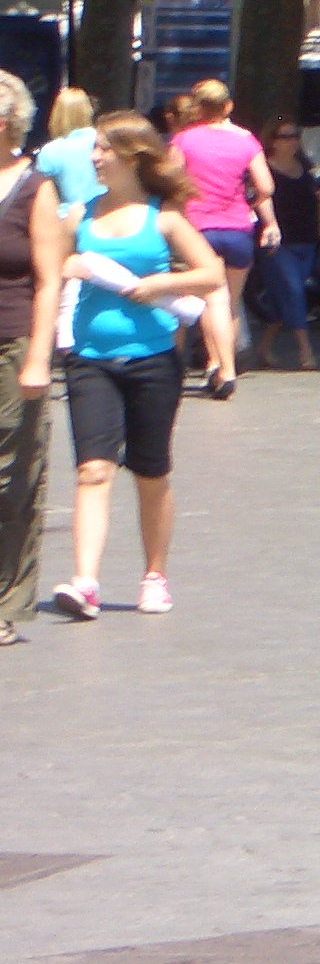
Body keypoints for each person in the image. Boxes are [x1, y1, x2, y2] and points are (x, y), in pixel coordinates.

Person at [48, 112, 224, 622]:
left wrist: (160, 285)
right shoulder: (79, 216)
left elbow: (211, 273)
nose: (94, 157)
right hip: (89, 360)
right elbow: (48, 270)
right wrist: (64, 269)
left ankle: (154, 574)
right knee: (92, 469)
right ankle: (86, 582)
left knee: (150, 472)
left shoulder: (163, 218)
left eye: (103, 148)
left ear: (132, 156)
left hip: (154, 360)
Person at [0, 73, 65, 647]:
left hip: (12, 342)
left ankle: (4, 600)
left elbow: (48, 280)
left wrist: (39, 357)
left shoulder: (34, 187)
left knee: (10, 474)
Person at [169, 79, 277, 400]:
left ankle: (199, 365)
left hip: (197, 229)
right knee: (229, 302)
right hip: (237, 229)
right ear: (228, 106)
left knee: (197, 299)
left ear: (197, 107)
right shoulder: (246, 140)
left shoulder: (184, 139)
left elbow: (170, 182)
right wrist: (248, 203)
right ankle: (221, 365)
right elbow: (266, 187)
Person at [256, 117, 320, 369]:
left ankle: (264, 348)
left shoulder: (307, 168)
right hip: (277, 243)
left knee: (283, 295)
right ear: (273, 142)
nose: (292, 142)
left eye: (295, 136)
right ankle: (305, 350)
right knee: (294, 291)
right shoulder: (264, 170)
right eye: (285, 137)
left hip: (306, 239)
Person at [35, 86, 100, 219]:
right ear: (88, 110)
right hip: (106, 215)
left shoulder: (50, 151)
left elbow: (41, 196)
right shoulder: (103, 141)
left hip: (68, 220)